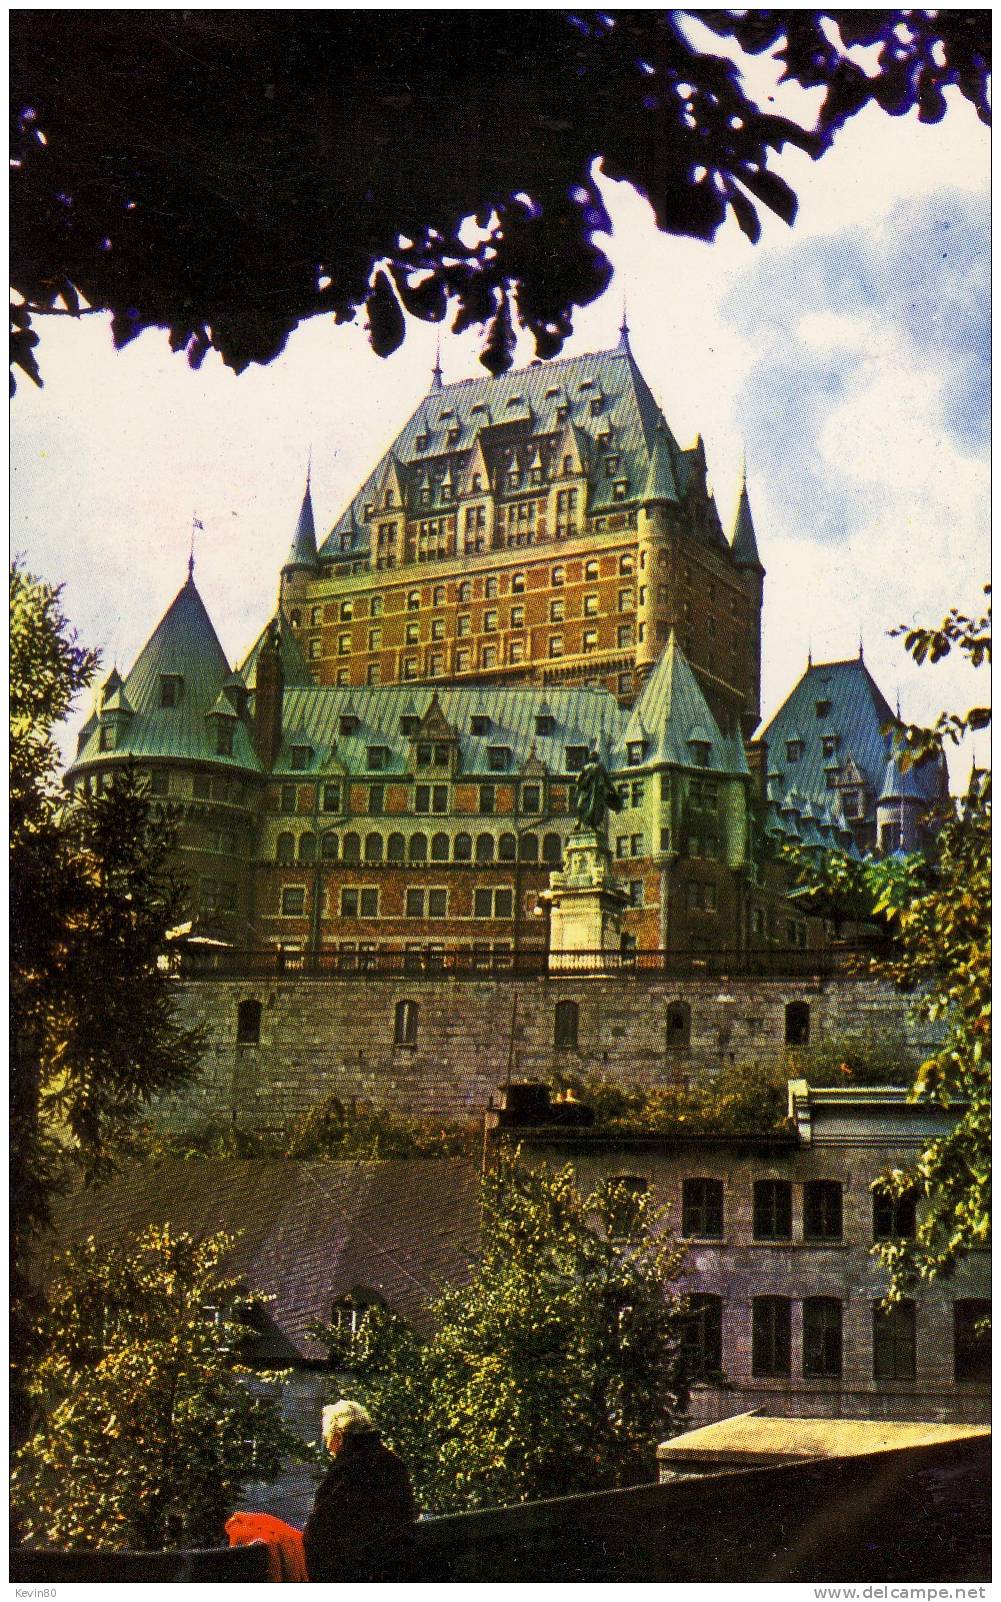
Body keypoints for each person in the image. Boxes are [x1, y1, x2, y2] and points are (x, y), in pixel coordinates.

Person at [302, 1399, 417, 1583]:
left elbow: (320, 1527)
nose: (329, 1446)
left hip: (355, 1571)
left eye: (328, 1438)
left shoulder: (347, 1467)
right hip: (395, 1567)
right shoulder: (392, 1461)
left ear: (338, 1435)